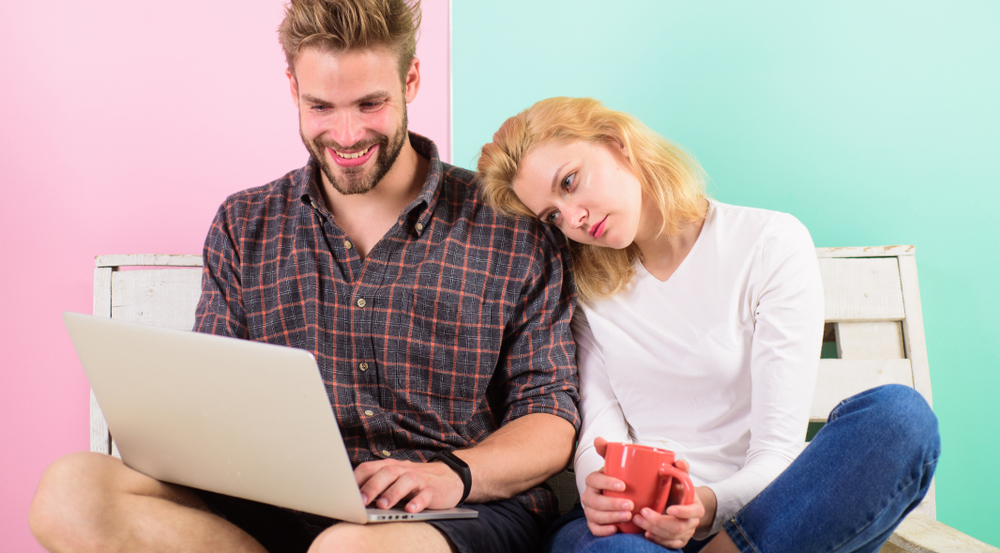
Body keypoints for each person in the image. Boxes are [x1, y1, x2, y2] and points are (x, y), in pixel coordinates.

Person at [28, 2, 580, 552]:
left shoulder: (509, 224)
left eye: (370, 103)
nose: (347, 134)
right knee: (69, 495)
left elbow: (549, 413)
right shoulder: (245, 223)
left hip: (454, 510)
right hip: (278, 509)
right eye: (321, 106)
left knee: (346, 550)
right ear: (293, 88)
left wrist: (454, 473)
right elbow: (212, 396)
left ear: (410, 80)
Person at [476, 96, 940, 553]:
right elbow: (600, 437)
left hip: (762, 519)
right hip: (637, 527)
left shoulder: (768, 244)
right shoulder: (584, 288)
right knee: (616, 552)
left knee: (899, 418)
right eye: (553, 216)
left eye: (570, 181)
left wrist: (704, 507)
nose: (574, 219)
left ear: (616, 143)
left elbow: (775, 454)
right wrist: (600, 490)